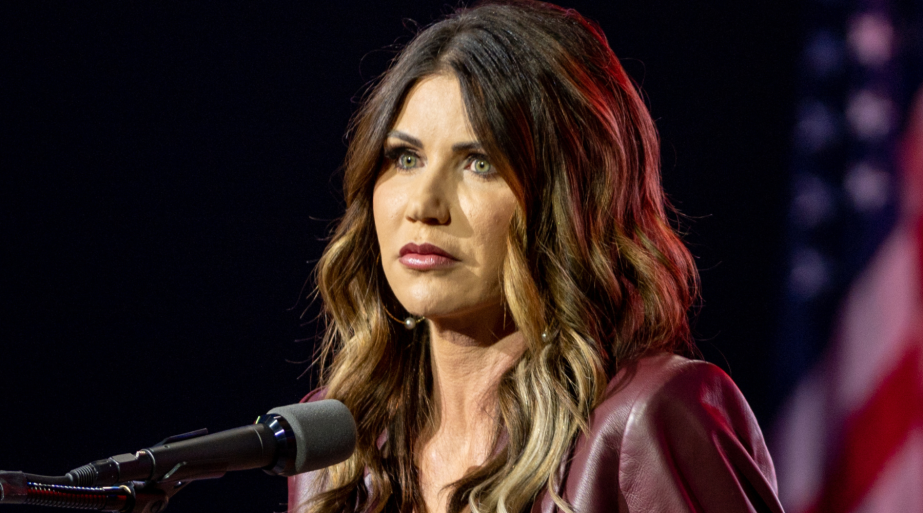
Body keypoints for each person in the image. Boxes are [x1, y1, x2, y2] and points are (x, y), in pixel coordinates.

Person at [289, 2, 783, 512]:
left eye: (479, 163)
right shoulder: (337, 445)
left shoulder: (643, 421)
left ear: (568, 200)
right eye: (405, 159)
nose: (423, 205)